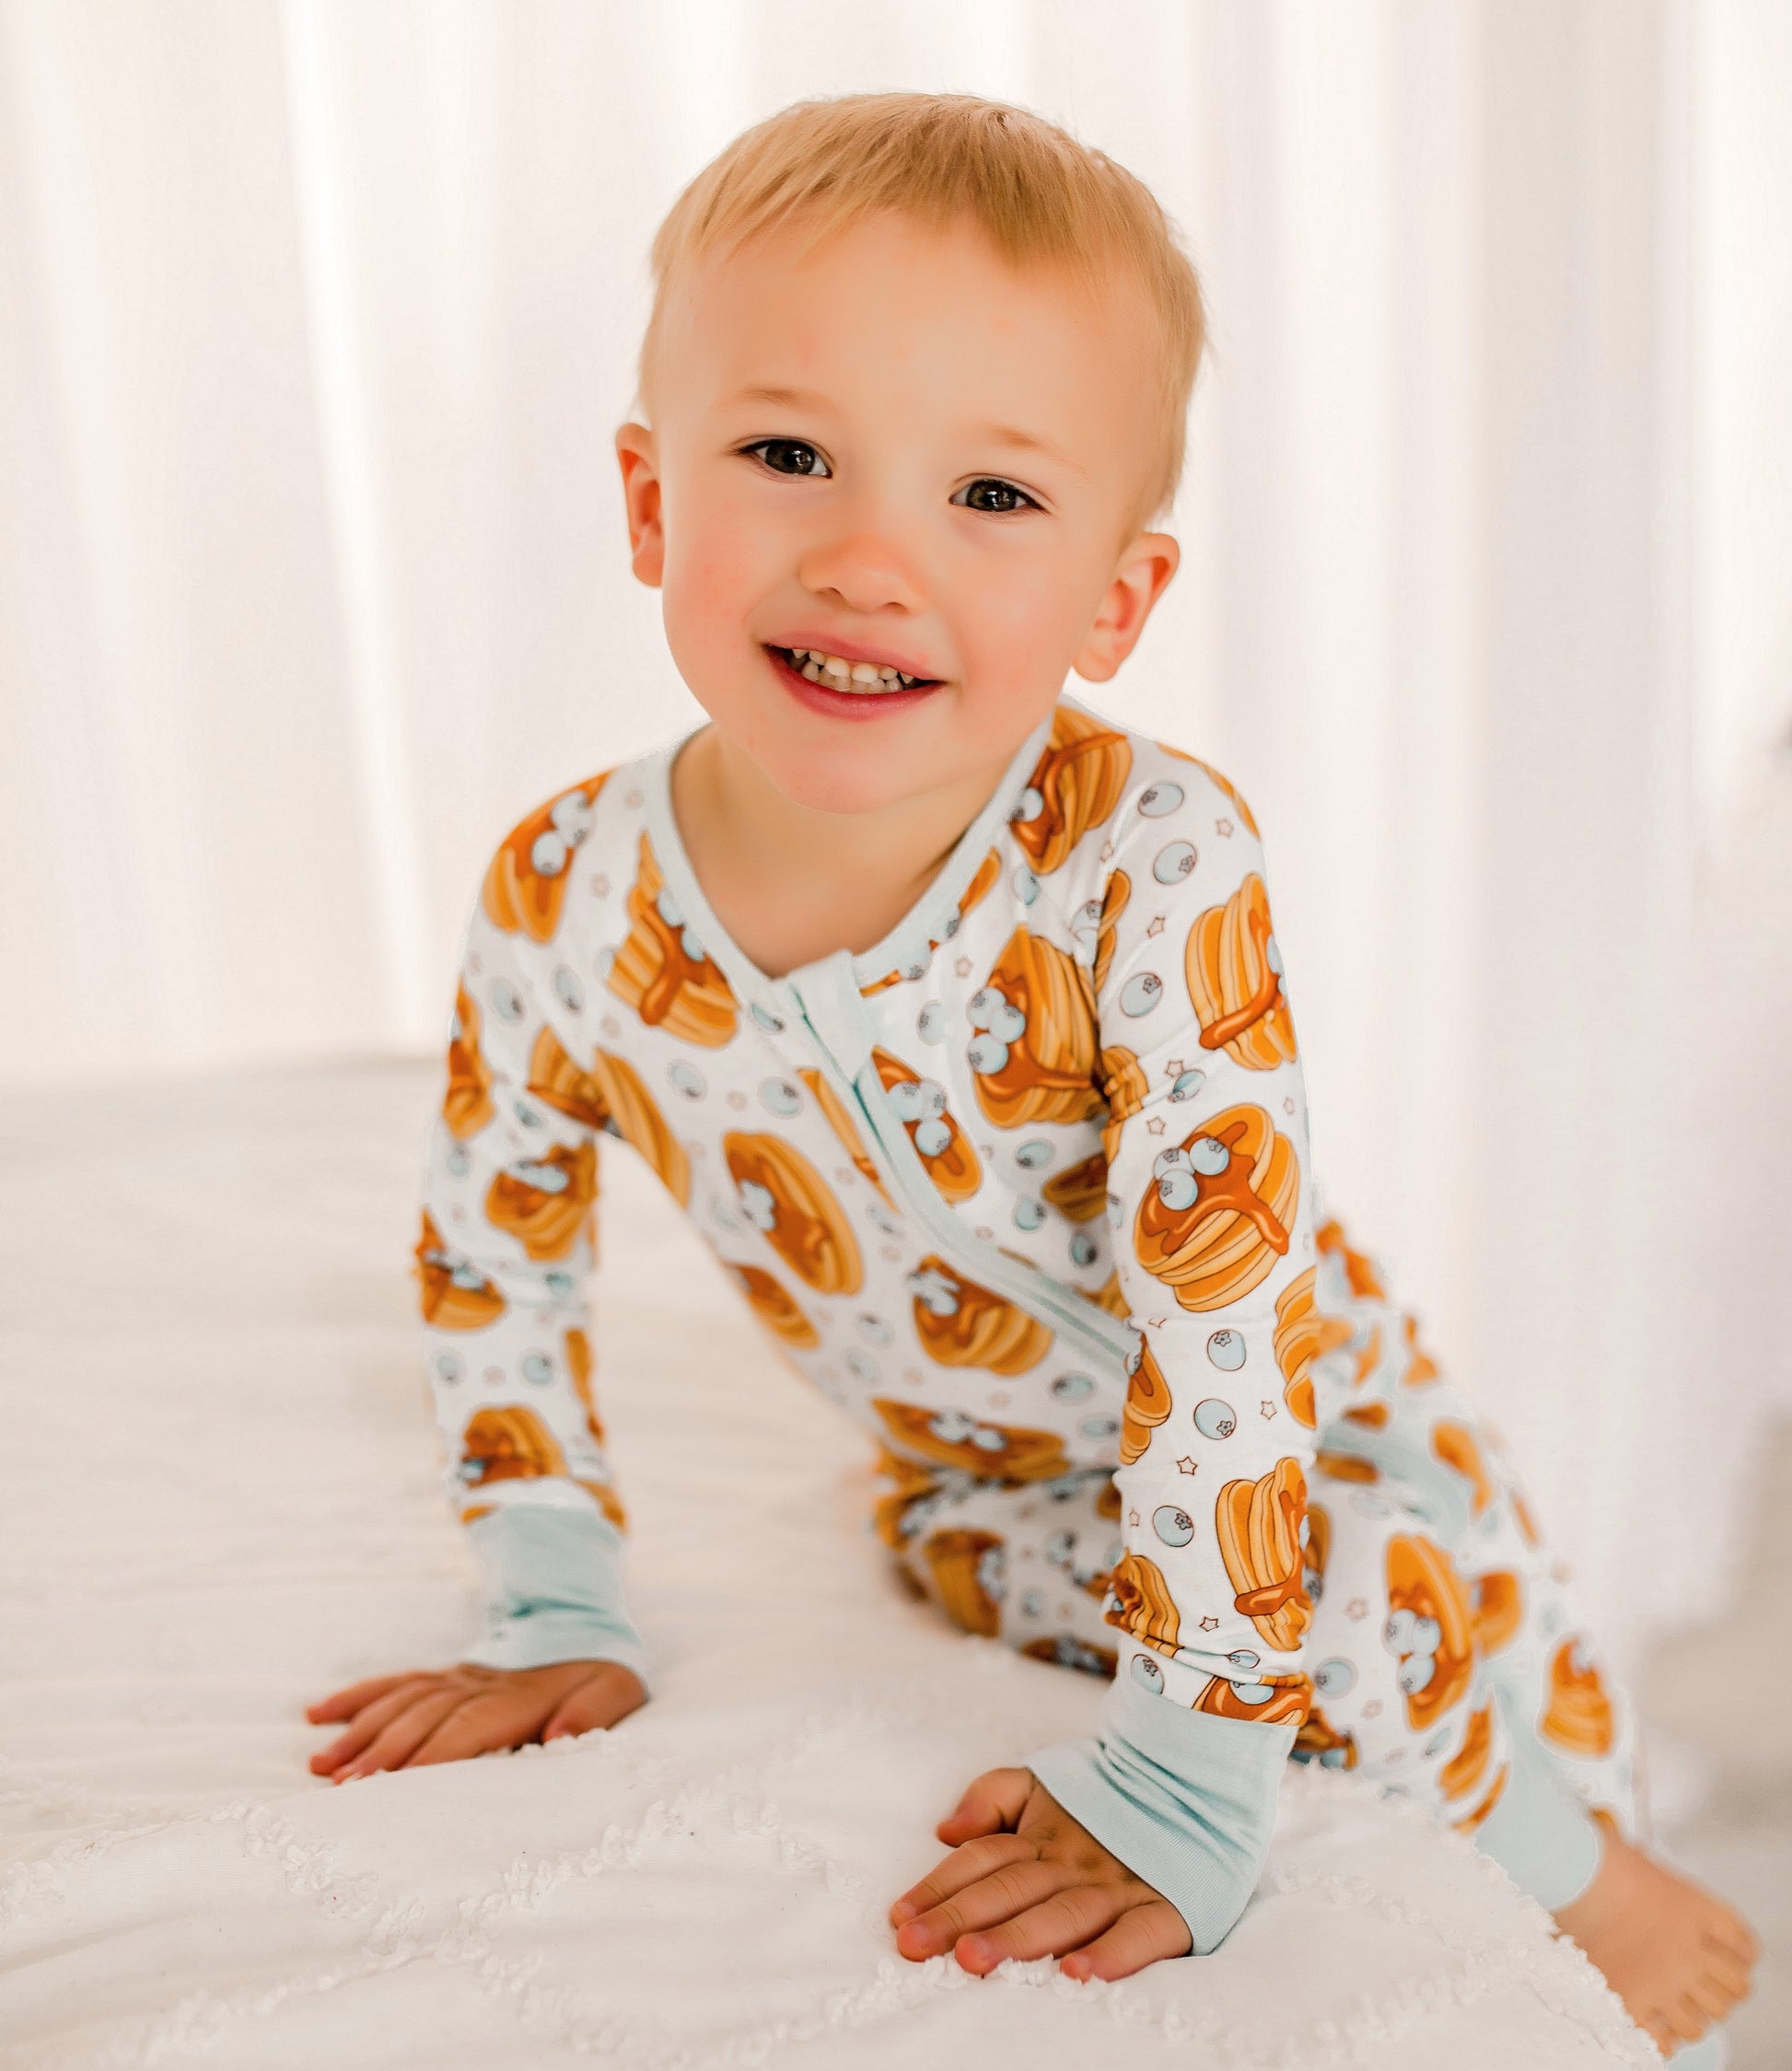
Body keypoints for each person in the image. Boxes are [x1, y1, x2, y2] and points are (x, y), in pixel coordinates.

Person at [303, 92, 1755, 2059]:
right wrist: (550, 1590)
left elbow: (1225, 1300)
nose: (868, 556)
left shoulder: (1151, 861)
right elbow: (496, 1248)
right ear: (652, 502)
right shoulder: (563, 892)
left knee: (1365, 1608)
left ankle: (1585, 1865)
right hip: (976, 1491)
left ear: (1111, 604)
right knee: (979, 1564)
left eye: (989, 498)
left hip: (1303, 1439)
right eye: (788, 454)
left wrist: (1182, 1765)